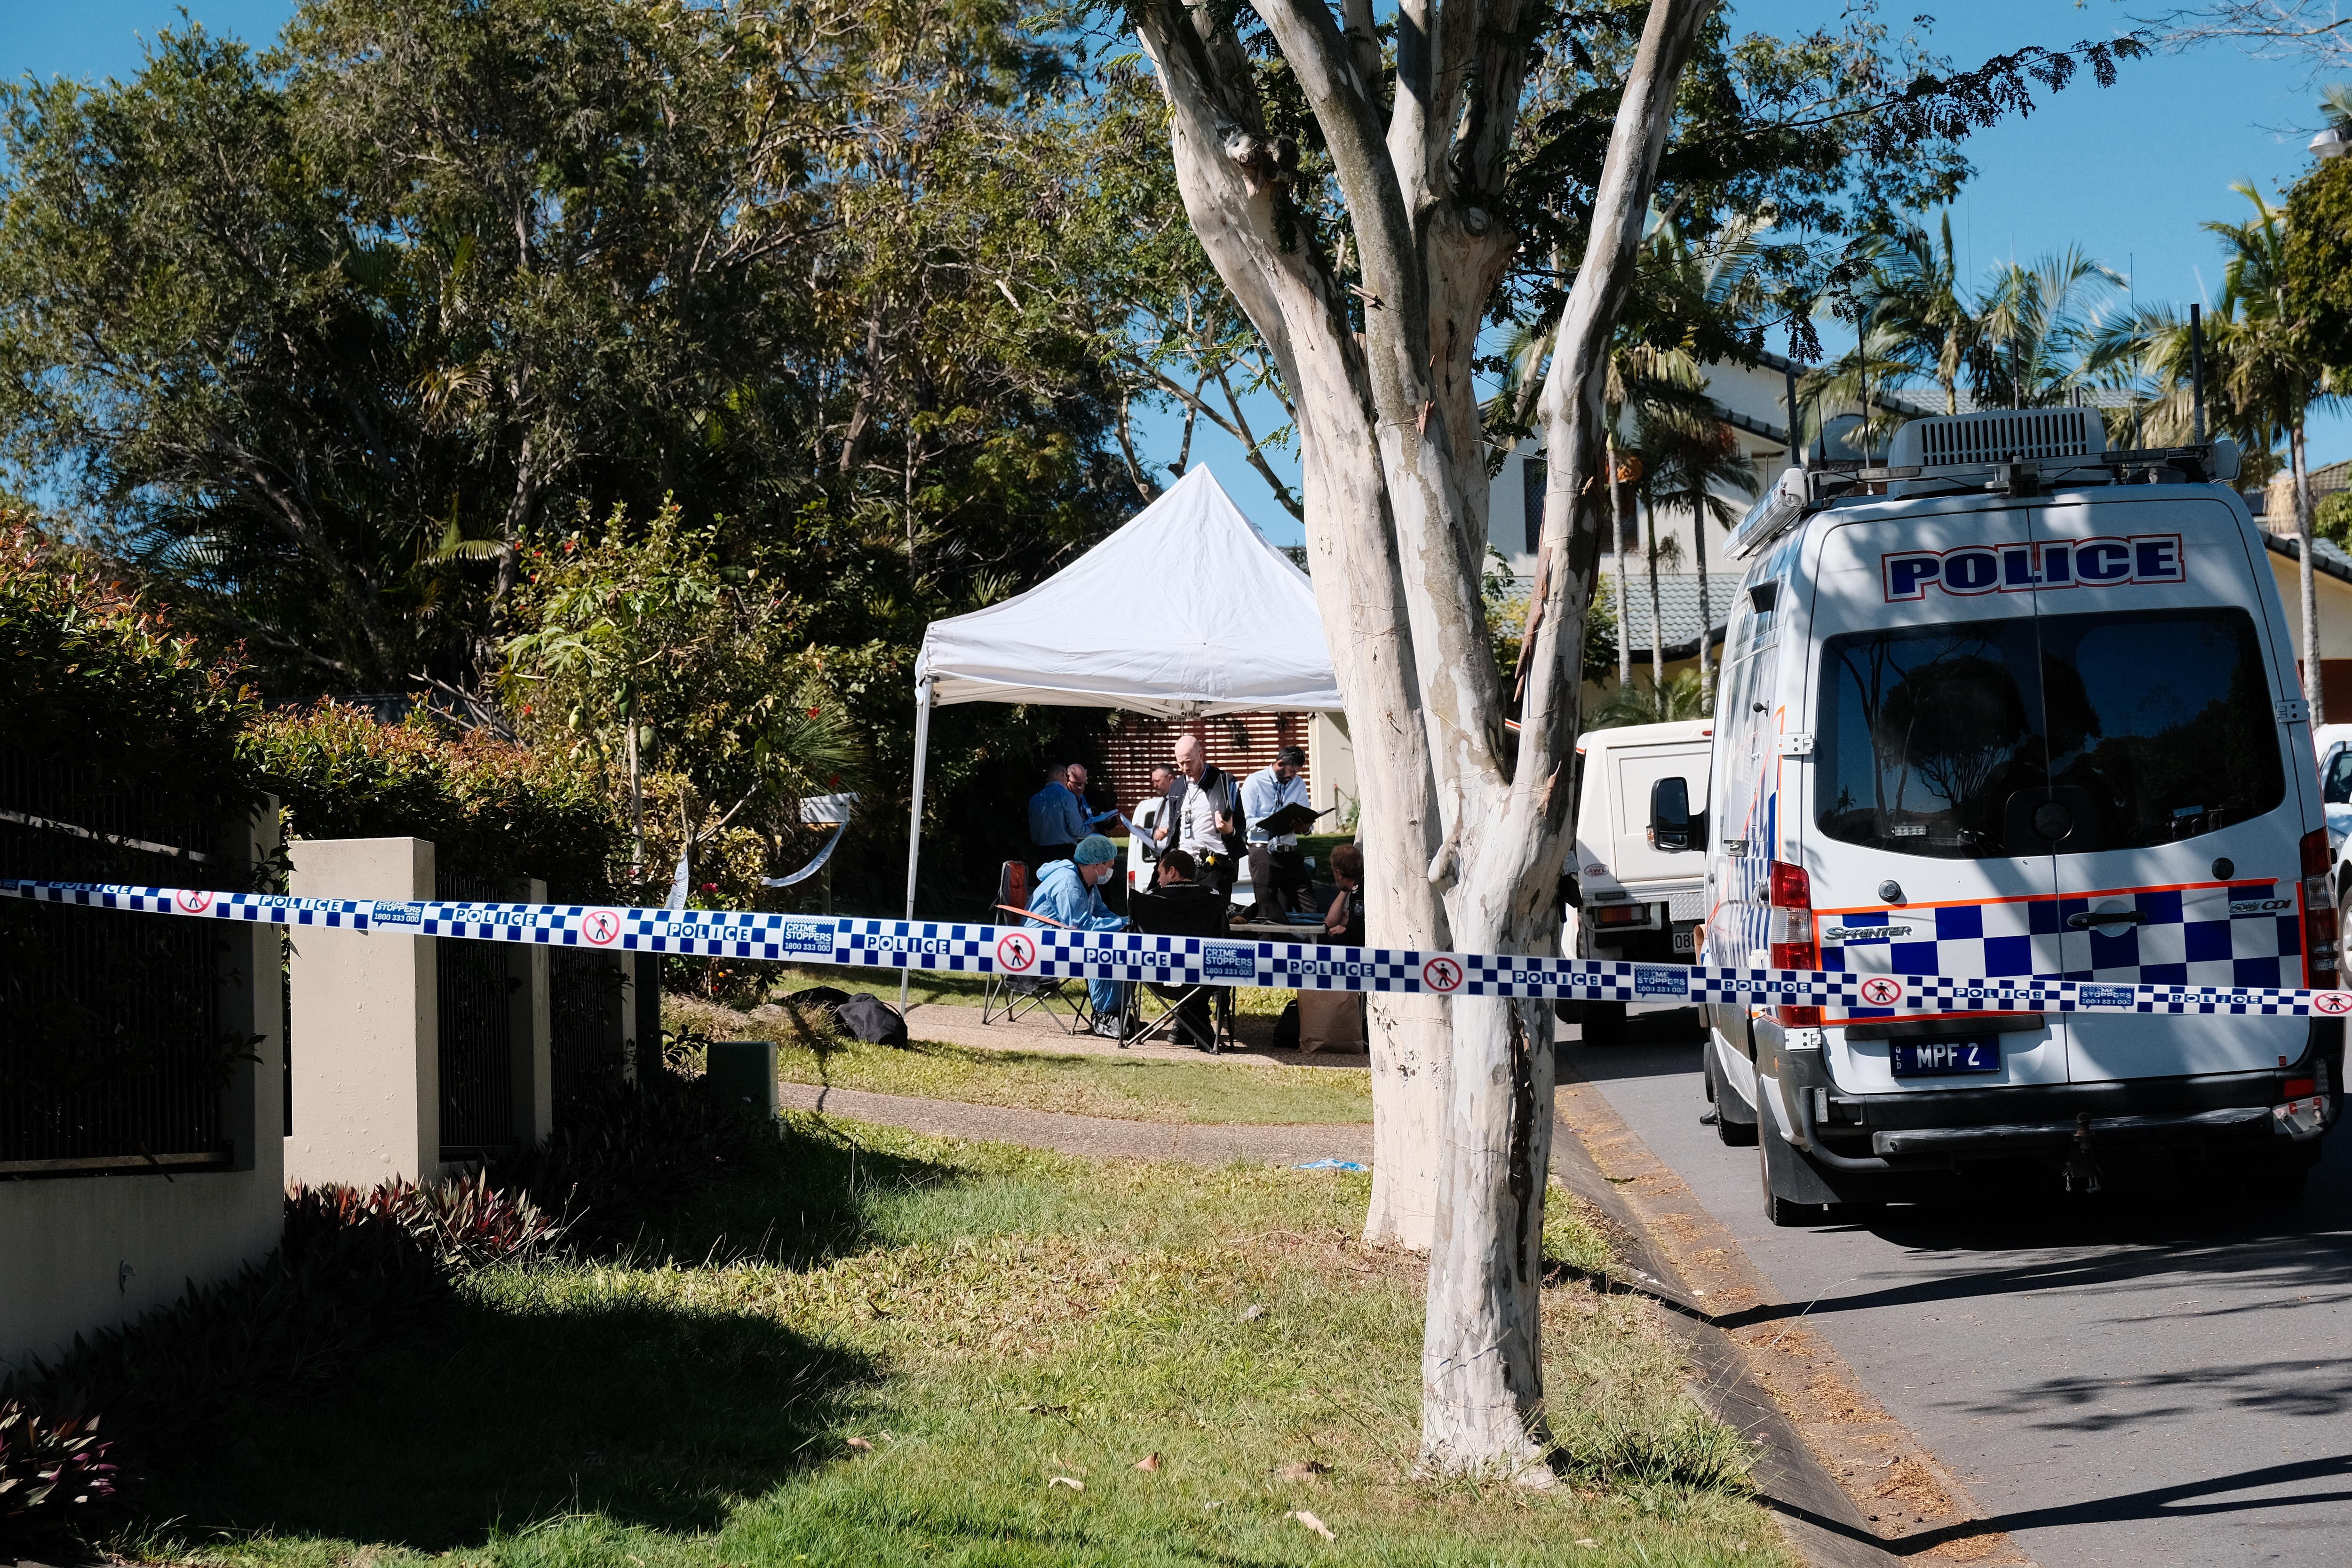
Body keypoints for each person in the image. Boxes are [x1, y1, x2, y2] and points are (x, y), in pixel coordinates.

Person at [1026, 834, 1128, 1037]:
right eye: (1110, 864)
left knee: (1116, 943)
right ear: (1097, 864)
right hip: (1039, 947)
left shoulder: (1088, 883)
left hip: (1060, 940)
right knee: (1102, 949)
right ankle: (1105, 1017)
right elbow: (1081, 927)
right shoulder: (1068, 883)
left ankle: (1119, 1013)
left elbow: (1102, 914)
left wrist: (1125, 922)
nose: (1111, 869)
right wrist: (1123, 923)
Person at [1156, 734, 1242, 895]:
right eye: (1180, 763)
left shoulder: (1223, 781)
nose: (1185, 768)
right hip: (1185, 866)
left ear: (1200, 755)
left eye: (1189, 762)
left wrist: (1230, 832)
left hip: (1215, 864)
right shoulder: (1177, 787)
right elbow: (1175, 827)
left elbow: (1240, 823)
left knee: (1213, 915)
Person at [1241, 745, 1313, 915]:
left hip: (1287, 851)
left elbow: (1307, 817)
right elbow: (1244, 822)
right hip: (1262, 851)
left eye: (1297, 772)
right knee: (1268, 910)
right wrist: (1272, 823)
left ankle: (1314, 938)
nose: (1294, 776)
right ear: (1280, 764)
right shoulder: (1255, 781)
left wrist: (1306, 828)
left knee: (1310, 905)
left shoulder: (1298, 784)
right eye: (1292, 771)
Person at [1027, 762, 1087, 866]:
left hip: (1043, 852)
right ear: (1063, 773)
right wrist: (1089, 829)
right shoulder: (1067, 796)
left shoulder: (1035, 799)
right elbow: (1076, 829)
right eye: (1067, 776)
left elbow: (1035, 835)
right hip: (1065, 851)